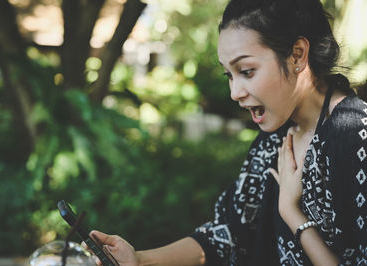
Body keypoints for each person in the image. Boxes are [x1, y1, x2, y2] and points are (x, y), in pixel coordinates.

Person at [87, 0, 367, 265]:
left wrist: (292, 214)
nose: (234, 93)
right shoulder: (275, 137)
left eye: (246, 71)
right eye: (229, 75)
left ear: (297, 55)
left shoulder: (356, 135)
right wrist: (140, 259)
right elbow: (230, 233)